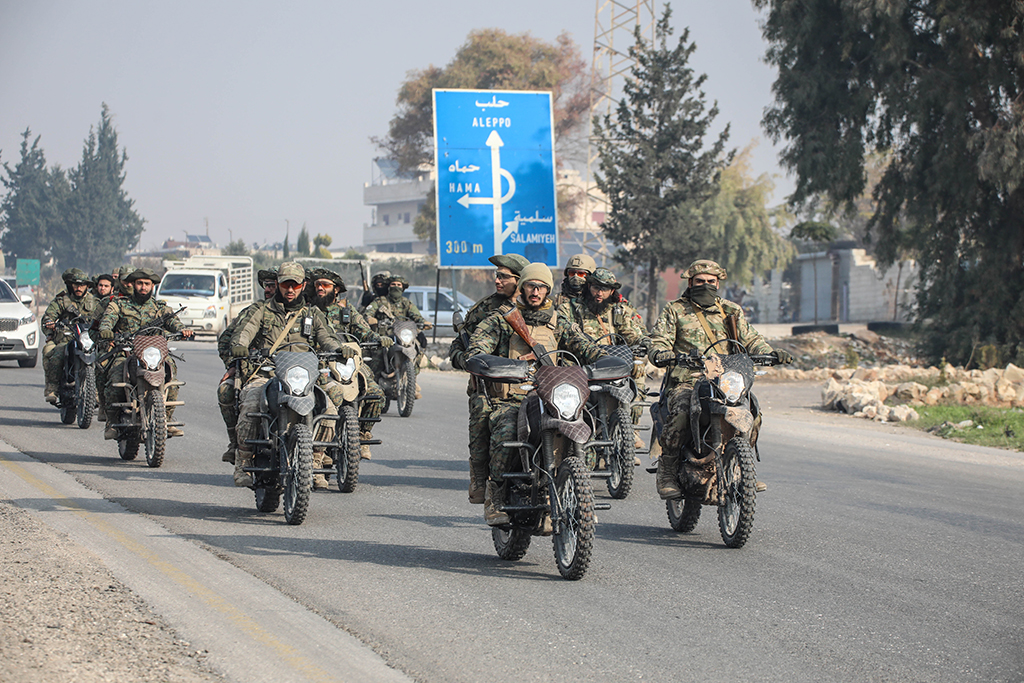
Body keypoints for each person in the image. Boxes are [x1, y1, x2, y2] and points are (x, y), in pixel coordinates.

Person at [465, 262, 607, 526]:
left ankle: (578, 494)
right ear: (522, 287)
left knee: (584, 427)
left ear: (548, 290)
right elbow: (477, 348)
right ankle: (494, 496)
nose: (536, 292)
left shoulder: (559, 322)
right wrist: (493, 362)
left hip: (552, 395)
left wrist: (607, 360)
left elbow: (585, 346)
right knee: (505, 430)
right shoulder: (501, 320)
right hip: (512, 397)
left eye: (542, 287)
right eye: (531, 285)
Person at [647, 259, 793, 500]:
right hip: (688, 379)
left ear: (718, 283)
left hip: (726, 380)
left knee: (752, 412)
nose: (705, 285)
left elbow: (751, 339)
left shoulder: (731, 310)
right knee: (681, 414)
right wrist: (662, 353)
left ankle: (743, 468)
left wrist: (771, 352)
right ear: (690, 283)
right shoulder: (675, 310)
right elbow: (660, 339)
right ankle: (668, 471)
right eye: (700, 282)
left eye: (710, 282)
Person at [228, 262, 350, 488]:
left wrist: (338, 348)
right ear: (279, 285)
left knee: (330, 410)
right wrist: (240, 345)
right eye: (285, 285)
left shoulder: (312, 313)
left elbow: (327, 338)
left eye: (295, 285)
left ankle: (314, 462)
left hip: (305, 377)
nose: (290, 290)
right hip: (267, 373)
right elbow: (244, 333)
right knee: (252, 403)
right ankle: (242, 462)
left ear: (303, 286)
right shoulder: (261, 310)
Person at [448, 253, 530, 504]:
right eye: (497, 275)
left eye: (504, 276)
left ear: (521, 280)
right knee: (481, 418)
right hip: (490, 386)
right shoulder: (486, 308)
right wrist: (472, 362)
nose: (497, 280)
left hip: (533, 384)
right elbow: (457, 349)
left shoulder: (541, 310)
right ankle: (481, 477)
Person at [557, 267, 652, 459]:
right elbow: (565, 333)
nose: (599, 293)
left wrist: (646, 346)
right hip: (583, 366)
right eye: (595, 288)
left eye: (605, 289)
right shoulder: (571, 308)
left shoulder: (619, 311)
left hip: (614, 364)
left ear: (612, 291)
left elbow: (635, 335)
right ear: (589, 286)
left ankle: (630, 432)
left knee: (638, 374)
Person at [307, 267, 388, 487]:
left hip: (347, 364)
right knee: (324, 402)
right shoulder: (309, 311)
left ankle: (361, 435)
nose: (321, 289)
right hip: (318, 363)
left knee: (375, 393)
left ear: (337, 290)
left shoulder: (347, 311)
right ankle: (315, 456)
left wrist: (379, 338)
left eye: (326, 285)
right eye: (318, 285)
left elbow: (364, 331)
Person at [98, 268, 194, 439]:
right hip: (127, 351)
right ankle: (111, 423)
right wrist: (106, 331)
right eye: (140, 283)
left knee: (171, 377)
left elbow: (174, 322)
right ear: (133, 285)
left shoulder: (160, 307)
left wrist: (183, 330)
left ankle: (166, 419)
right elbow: (107, 320)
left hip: (154, 353)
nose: (143, 287)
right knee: (114, 377)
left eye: (147, 284)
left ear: (152, 286)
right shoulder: (119, 304)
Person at [215, 267, 278, 465]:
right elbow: (227, 340)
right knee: (226, 391)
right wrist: (233, 364)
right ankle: (236, 444)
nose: (269, 289)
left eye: (273, 285)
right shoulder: (254, 311)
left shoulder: (304, 313)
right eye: (266, 285)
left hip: (293, 372)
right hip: (255, 370)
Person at [363, 274, 431, 398]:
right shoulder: (380, 301)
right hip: (385, 336)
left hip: (403, 335)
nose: (396, 287)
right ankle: (373, 386)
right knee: (377, 355)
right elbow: (367, 314)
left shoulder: (406, 303)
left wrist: (423, 322)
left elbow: (416, 316)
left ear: (403, 288)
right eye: (393, 284)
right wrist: (371, 319)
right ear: (388, 287)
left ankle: (411, 381)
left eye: (398, 285)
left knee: (418, 349)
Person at [41, 269, 101, 404]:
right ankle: (52, 388)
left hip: (89, 340)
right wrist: (49, 324)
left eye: (82, 285)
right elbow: (48, 316)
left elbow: (106, 318)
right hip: (66, 339)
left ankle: (97, 393)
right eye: (75, 285)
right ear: (70, 285)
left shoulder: (95, 302)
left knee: (103, 358)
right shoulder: (61, 301)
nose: (78, 288)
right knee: (55, 354)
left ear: (87, 286)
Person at [90, 273, 117, 419]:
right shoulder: (110, 302)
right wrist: (105, 338)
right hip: (113, 345)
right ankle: (104, 404)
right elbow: (95, 328)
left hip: (138, 346)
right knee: (102, 365)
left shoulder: (151, 303)